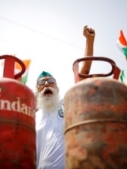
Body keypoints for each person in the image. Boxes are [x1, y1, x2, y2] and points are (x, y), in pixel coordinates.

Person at [35, 25, 95, 169]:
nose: (46, 84)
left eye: (51, 81)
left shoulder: (67, 104)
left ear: (57, 87)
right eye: (41, 83)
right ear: (36, 91)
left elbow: (83, 74)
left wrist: (89, 41)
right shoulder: (32, 118)